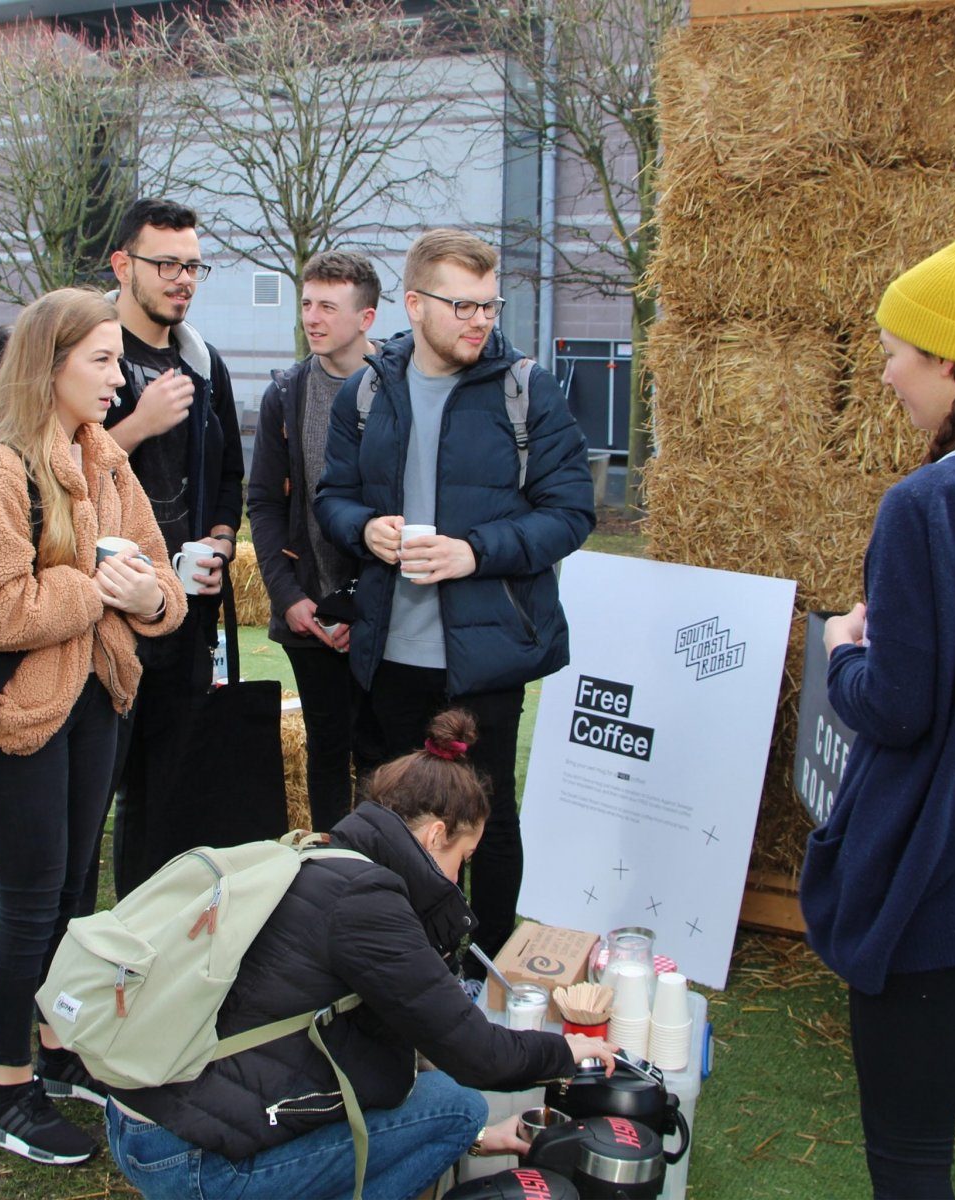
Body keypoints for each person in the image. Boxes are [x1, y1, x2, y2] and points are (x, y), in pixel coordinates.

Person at [104, 708, 616, 1200]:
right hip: (192, 1159)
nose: (459, 878)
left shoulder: (320, 854)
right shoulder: (366, 902)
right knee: (457, 1107)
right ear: (436, 835)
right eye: (464, 858)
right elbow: (478, 1055)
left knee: (440, 1105)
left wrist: (475, 1140)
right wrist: (566, 1051)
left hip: (147, 1120)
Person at [0, 288, 187, 1165]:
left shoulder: (101, 457)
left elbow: (161, 575)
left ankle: (56, 1049)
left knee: (77, 893)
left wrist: (149, 598)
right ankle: (6, 1095)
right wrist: (95, 587)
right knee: (33, 902)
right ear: (50, 365)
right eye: (104, 361)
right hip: (20, 715)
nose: (121, 380)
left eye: (119, 361)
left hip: (97, 696)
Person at [314, 229, 595, 984]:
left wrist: (475, 551)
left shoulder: (526, 391)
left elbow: (571, 513)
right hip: (387, 655)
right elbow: (331, 497)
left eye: (489, 305)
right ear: (414, 304)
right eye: (462, 305)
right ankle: (395, 972)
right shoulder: (367, 391)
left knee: (487, 824)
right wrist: (363, 528)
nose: (480, 320)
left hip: (487, 658)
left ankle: (484, 979)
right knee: (392, 827)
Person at [800, 233, 955, 1200]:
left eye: (894, 352)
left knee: (913, 1152)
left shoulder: (930, 504)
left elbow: (898, 709)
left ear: (952, 362)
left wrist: (845, 650)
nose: (884, 376)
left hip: (940, 879)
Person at [103, 197, 245, 898]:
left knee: (169, 789)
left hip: (184, 611)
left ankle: (152, 927)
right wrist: (138, 423)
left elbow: (230, 474)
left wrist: (220, 541)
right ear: (122, 264)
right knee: (99, 786)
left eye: (192, 266)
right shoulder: (88, 354)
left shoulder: (202, 361)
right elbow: (51, 471)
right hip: (105, 612)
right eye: (165, 264)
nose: (182, 279)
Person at [248, 250, 380, 830]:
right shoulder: (286, 393)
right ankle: (332, 867)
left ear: (366, 317)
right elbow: (263, 504)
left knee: (384, 754)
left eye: (328, 305)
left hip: (387, 612)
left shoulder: (401, 386)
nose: (312, 317)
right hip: (312, 613)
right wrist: (289, 598)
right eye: (307, 303)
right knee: (327, 751)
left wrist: (368, 605)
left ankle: (387, 870)